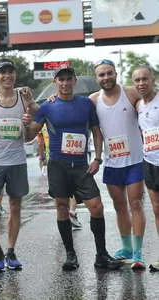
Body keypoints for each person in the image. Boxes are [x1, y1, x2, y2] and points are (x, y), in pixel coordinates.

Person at [23, 64, 122, 271]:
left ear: (74, 81)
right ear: (55, 83)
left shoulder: (85, 103)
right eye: (61, 79)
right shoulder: (47, 106)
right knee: (61, 206)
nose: (65, 83)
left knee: (96, 206)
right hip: (57, 165)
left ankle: (101, 254)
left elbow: (95, 131)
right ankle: (70, 255)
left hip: (80, 165)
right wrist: (26, 123)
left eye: (69, 79)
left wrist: (97, 157)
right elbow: (30, 136)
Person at [0, 58, 36, 271]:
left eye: (10, 72)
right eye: (2, 73)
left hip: (17, 161)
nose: (7, 76)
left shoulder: (23, 99)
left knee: (15, 206)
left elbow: (31, 132)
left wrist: (30, 117)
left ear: (15, 75)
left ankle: (11, 250)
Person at [90, 59, 145, 269]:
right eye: (101, 75)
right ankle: (126, 247)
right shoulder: (94, 100)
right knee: (119, 206)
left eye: (109, 73)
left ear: (116, 73)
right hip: (112, 163)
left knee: (136, 204)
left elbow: (151, 103)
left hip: (135, 161)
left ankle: (138, 252)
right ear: (97, 78)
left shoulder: (131, 93)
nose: (106, 78)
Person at [132, 65, 159, 271]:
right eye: (137, 80)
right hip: (150, 162)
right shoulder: (138, 105)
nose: (141, 83)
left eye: (144, 79)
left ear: (153, 79)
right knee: (157, 209)